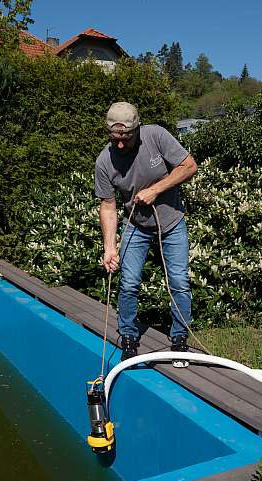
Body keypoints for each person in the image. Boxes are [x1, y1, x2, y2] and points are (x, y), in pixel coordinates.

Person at [94, 102, 198, 367]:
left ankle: (179, 339)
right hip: (136, 226)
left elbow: (189, 166)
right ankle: (128, 337)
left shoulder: (156, 136)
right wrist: (109, 248)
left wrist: (156, 189)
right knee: (129, 283)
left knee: (178, 282)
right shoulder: (104, 161)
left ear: (137, 129)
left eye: (125, 138)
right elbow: (108, 206)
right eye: (114, 138)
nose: (120, 144)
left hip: (172, 223)